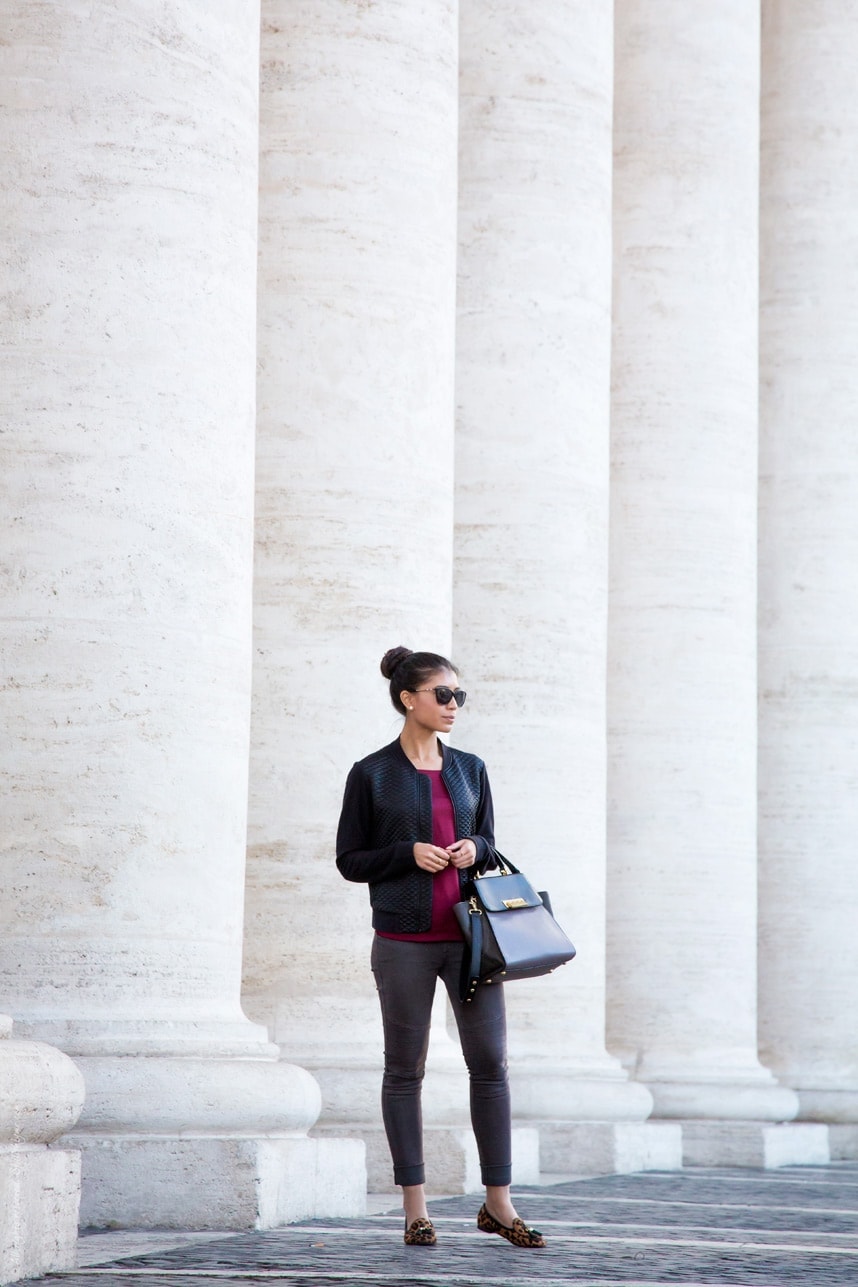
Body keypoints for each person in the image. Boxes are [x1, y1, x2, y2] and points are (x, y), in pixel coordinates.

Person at [336, 646, 545, 1249]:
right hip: (403, 939)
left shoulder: (471, 767)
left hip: (473, 939)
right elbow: (350, 860)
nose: (454, 705)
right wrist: (407, 854)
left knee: (492, 1067)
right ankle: (414, 1207)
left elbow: (488, 839)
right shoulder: (371, 773)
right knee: (405, 1071)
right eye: (443, 695)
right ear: (409, 699)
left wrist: (472, 850)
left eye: (459, 695)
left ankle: (499, 1205)